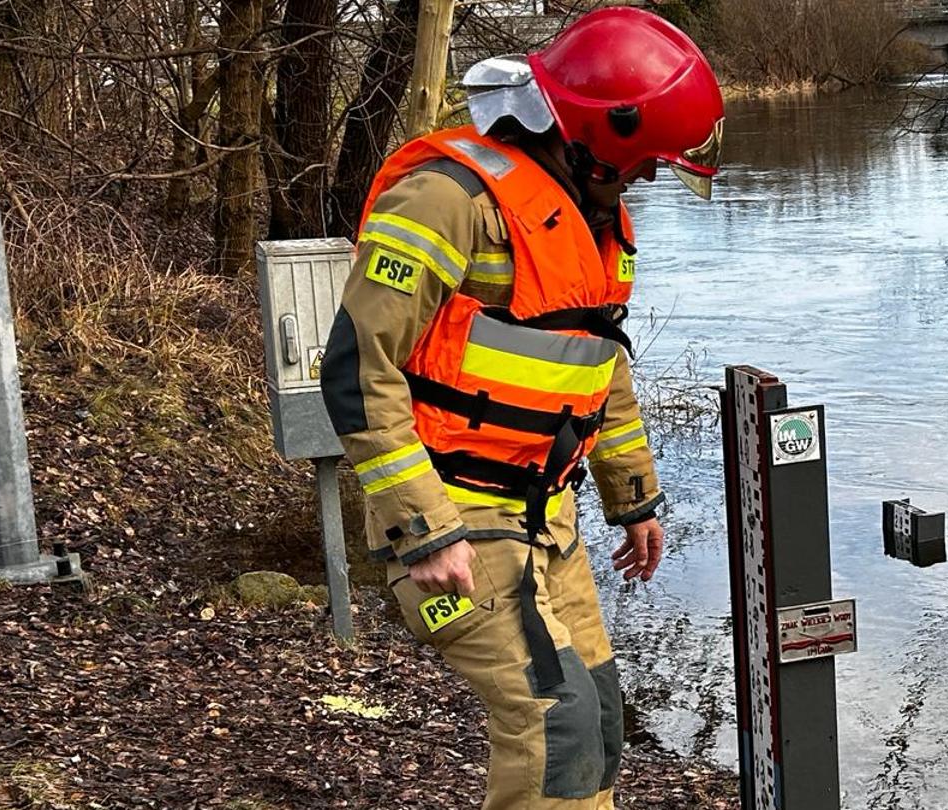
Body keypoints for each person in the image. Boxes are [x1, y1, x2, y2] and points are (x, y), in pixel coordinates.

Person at [318, 8, 723, 808]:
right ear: (598, 137)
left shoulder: (588, 219)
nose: (645, 180)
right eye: (642, 163)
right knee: (555, 724)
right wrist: (419, 527)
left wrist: (633, 496)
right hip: (455, 515)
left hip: (548, 519)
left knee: (600, 721)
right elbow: (357, 366)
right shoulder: (445, 200)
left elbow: (596, 369)